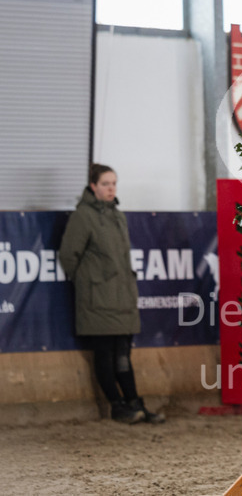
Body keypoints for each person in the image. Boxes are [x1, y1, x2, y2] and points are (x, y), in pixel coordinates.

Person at [59, 164, 165, 424]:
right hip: (98, 299)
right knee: (105, 354)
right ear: (93, 186)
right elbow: (68, 256)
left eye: (114, 183)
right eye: (106, 183)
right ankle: (117, 406)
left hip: (122, 296)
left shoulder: (118, 215)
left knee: (122, 354)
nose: (111, 188)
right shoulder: (83, 216)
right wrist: (90, 282)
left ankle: (135, 403)